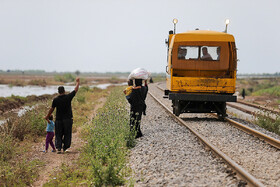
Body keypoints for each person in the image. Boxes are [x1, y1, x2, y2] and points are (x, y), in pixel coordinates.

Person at [44, 77, 80, 154]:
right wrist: (78, 82)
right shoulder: (68, 97)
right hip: (68, 119)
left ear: (58, 92)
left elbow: (52, 109)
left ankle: (59, 148)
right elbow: (75, 90)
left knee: (58, 134)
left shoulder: (56, 100)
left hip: (59, 120)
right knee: (67, 133)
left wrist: (47, 116)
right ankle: (65, 147)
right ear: (64, 91)